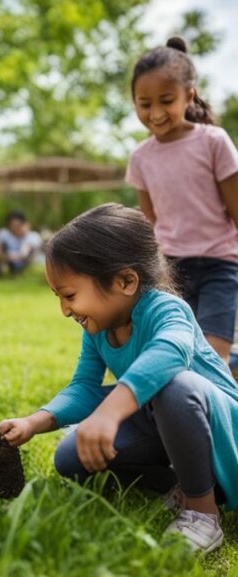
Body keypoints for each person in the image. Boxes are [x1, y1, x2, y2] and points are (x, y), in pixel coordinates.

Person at [0, 204, 238, 554]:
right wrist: (35, 422)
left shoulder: (167, 310)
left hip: (223, 432)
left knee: (175, 385)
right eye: (59, 298)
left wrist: (110, 413)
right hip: (166, 426)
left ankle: (202, 511)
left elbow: (170, 355)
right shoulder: (99, 330)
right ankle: (179, 485)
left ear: (125, 281)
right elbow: (84, 386)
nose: (65, 310)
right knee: (70, 458)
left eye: (70, 296)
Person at [126, 37, 238, 363]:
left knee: (212, 356)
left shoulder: (213, 142)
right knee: (176, 351)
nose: (156, 113)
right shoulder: (141, 158)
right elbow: (153, 224)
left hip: (221, 265)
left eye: (166, 100)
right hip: (173, 269)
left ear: (188, 95)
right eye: (145, 104)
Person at [0, 209, 43, 276]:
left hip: (26, 264)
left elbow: (24, 254)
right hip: (10, 262)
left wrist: (6, 257)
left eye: (18, 225)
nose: (15, 228)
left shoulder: (32, 236)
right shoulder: (4, 234)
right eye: (13, 225)